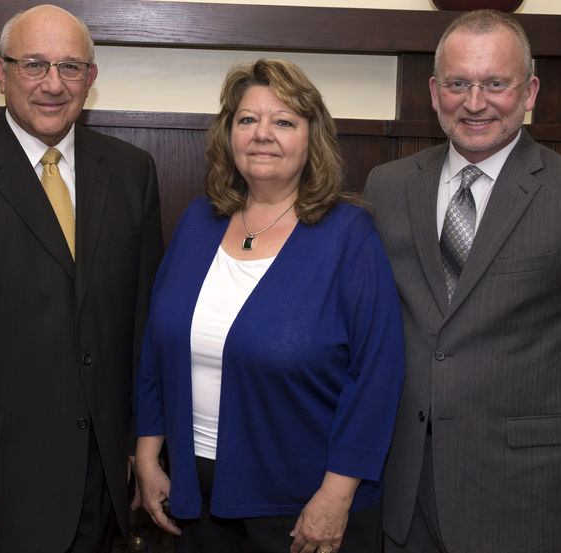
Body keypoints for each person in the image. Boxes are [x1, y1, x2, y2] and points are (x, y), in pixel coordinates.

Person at [363, 9, 561, 553]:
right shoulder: (388, 187)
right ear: (434, 91)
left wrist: (555, 424)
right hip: (404, 489)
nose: (475, 103)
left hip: (523, 495)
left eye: (496, 83)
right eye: (457, 84)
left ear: (530, 92)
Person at [0, 4, 164, 552]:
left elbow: (143, 326)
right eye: (33, 64)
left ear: (90, 79)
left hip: (105, 481)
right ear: (1, 74)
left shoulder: (132, 172)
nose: (52, 84)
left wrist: (143, 446)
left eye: (70, 67)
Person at [135, 58, 405, 553]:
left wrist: (335, 496)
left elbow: (377, 377)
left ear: (311, 137)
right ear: (228, 133)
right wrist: (149, 456)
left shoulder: (348, 235)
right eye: (247, 120)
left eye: (283, 121)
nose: (263, 134)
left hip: (302, 501)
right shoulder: (199, 221)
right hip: (194, 491)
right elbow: (157, 347)